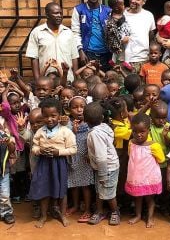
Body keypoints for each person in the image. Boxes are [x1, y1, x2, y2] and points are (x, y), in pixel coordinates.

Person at [29, 98, 77, 228]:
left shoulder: (66, 131)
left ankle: (62, 215)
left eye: (53, 116)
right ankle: (43, 216)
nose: (49, 119)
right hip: (44, 164)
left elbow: (73, 149)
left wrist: (58, 152)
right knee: (44, 189)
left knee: (62, 191)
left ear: (60, 116)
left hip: (59, 164)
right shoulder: (40, 131)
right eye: (46, 116)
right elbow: (34, 147)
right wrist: (40, 150)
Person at [125, 113, 165, 228]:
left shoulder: (154, 145)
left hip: (149, 178)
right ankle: (138, 215)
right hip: (136, 177)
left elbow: (161, 159)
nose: (139, 135)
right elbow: (130, 155)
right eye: (135, 131)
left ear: (148, 130)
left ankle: (150, 217)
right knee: (137, 197)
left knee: (150, 198)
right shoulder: (131, 143)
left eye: (142, 132)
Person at [84, 102, 120, 226]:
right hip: (105, 166)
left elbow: (101, 157)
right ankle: (99, 212)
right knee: (99, 190)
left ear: (85, 119)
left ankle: (115, 212)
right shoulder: (105, 126)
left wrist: (103, 175)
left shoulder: (95, 134)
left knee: (109, 193)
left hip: (106, 168)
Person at [26, 2, 79, 82]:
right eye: (56, 13)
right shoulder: (37, 32)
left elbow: (74, 57)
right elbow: (34, 58)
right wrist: (38, 80)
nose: (59, 16)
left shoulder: (68, 32)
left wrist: (75, 79)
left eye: (61, 13)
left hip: (67, 79)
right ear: (47, 15)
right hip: (46, 81)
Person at [71, 0, 111, 71]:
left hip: (106, 55)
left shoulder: (108, 11)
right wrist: (80, 51)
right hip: (87, 54)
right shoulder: (79, 10)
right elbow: (75, 33)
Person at [66, 96, 94, 223]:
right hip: (72, 158)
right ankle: (76, 205)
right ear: (69, 110)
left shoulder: (90, 123)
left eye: (82, 107)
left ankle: (87, 209)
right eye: (75, 107)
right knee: (73, 184)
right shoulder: (67, 124)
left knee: (85, 185)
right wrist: (73, 131)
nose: (79, 110)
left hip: (85, 159)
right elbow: (64, 138)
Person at [124, 0, 156, 73]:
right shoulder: (121, 15)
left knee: (142, 87)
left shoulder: (149, 15)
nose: (132, 0)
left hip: (143, 61)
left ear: (144, 1)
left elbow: (151, 36)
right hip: (124, 61)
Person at [105, 0, 131, 64]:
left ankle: (113, 60)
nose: (124, 6)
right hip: (122, 36)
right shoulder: (114, 18)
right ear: (116, 8)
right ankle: (127, 62)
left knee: (116, 50)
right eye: (122, 5)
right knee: (127, 47)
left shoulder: (111, 16)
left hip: (118, 37)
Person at [0, 121, 16, 224]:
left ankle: (6, 212)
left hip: (3, 170)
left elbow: (12, 149)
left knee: (5, 194)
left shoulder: (4, 134)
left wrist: (9, 141)